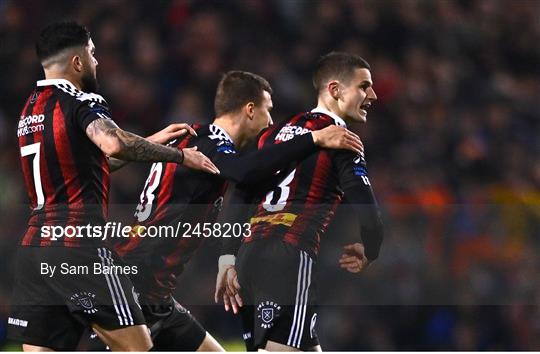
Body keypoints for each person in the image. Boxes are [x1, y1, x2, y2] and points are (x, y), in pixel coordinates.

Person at [82, 70, 364, 351]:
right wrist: (313, 140)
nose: (271, 122)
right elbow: (245, 173)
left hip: (158, 294)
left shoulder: (188, 137)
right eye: (268, 111)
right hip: (134, 280)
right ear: (250, 110)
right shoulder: (212, 142)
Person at [7, 21, 220, 352]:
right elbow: (113, 144)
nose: (96, 62)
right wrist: (179, 156)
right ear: (77, 61)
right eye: (92, 53)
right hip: (79, 245)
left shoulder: (30, 109)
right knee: (138, 347)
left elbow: (91, 166)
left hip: (35, 249)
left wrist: (149, 142)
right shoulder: (79, 99)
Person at [215, 52, 384, 351]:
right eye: (364, 86)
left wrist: (227, 258)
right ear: (335, 90)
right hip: (289, 257)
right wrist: (371, 248)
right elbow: (369, 215)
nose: (372, 94)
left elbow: (241, 191)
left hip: (248, 257)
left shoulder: (274, 134)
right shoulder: (341, 140)